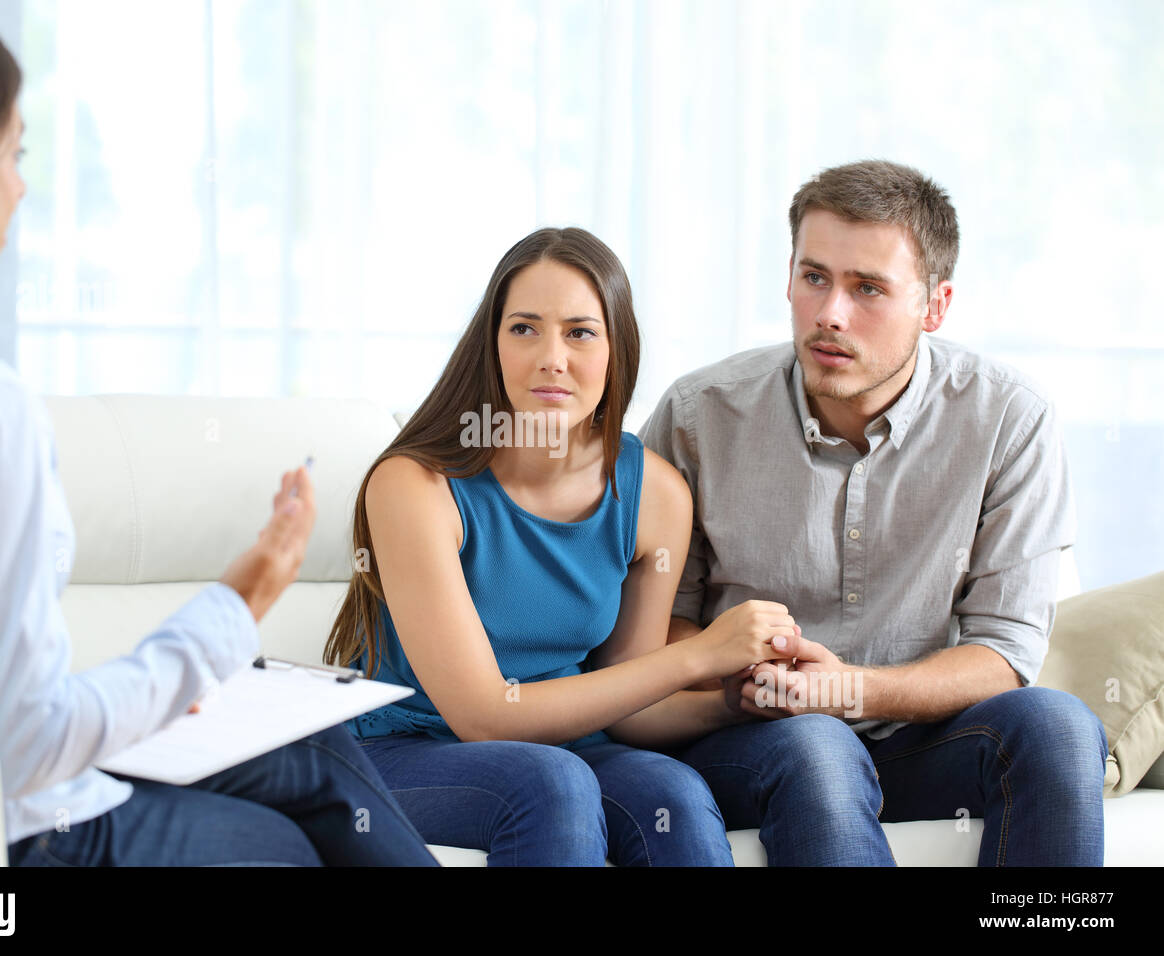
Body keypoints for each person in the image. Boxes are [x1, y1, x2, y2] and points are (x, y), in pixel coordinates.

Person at [0, 0, 436, 867]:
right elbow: (29, 742)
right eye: (11, 155)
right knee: (282, 848)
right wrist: (235, 610)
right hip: (9, 834)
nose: (22, 186)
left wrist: (171, 681)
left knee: (312, 751)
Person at [639, 159, 1109, 866]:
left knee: (1059, 727)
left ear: (935, 305)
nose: (831, 312)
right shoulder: (698, 415)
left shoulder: (1009, 418)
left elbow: (1005, 650)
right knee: (818, 747)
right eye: (815, 277)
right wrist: (745, 678)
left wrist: (848, 688)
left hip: (923, 740)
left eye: (868, 289)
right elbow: (652, 627)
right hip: (760, 739)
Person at [322, 226, 804, 866]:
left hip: (567, 743)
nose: (552, 357)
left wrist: (731, 700)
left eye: (580, 331)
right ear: (491, 346)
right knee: (551, 782)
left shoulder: (654, 493)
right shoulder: (415, 485)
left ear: (616, 350)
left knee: (676, 793)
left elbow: (630, 708)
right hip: (402, 748)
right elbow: (485, 718)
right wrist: (697, 658)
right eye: (525, 328)